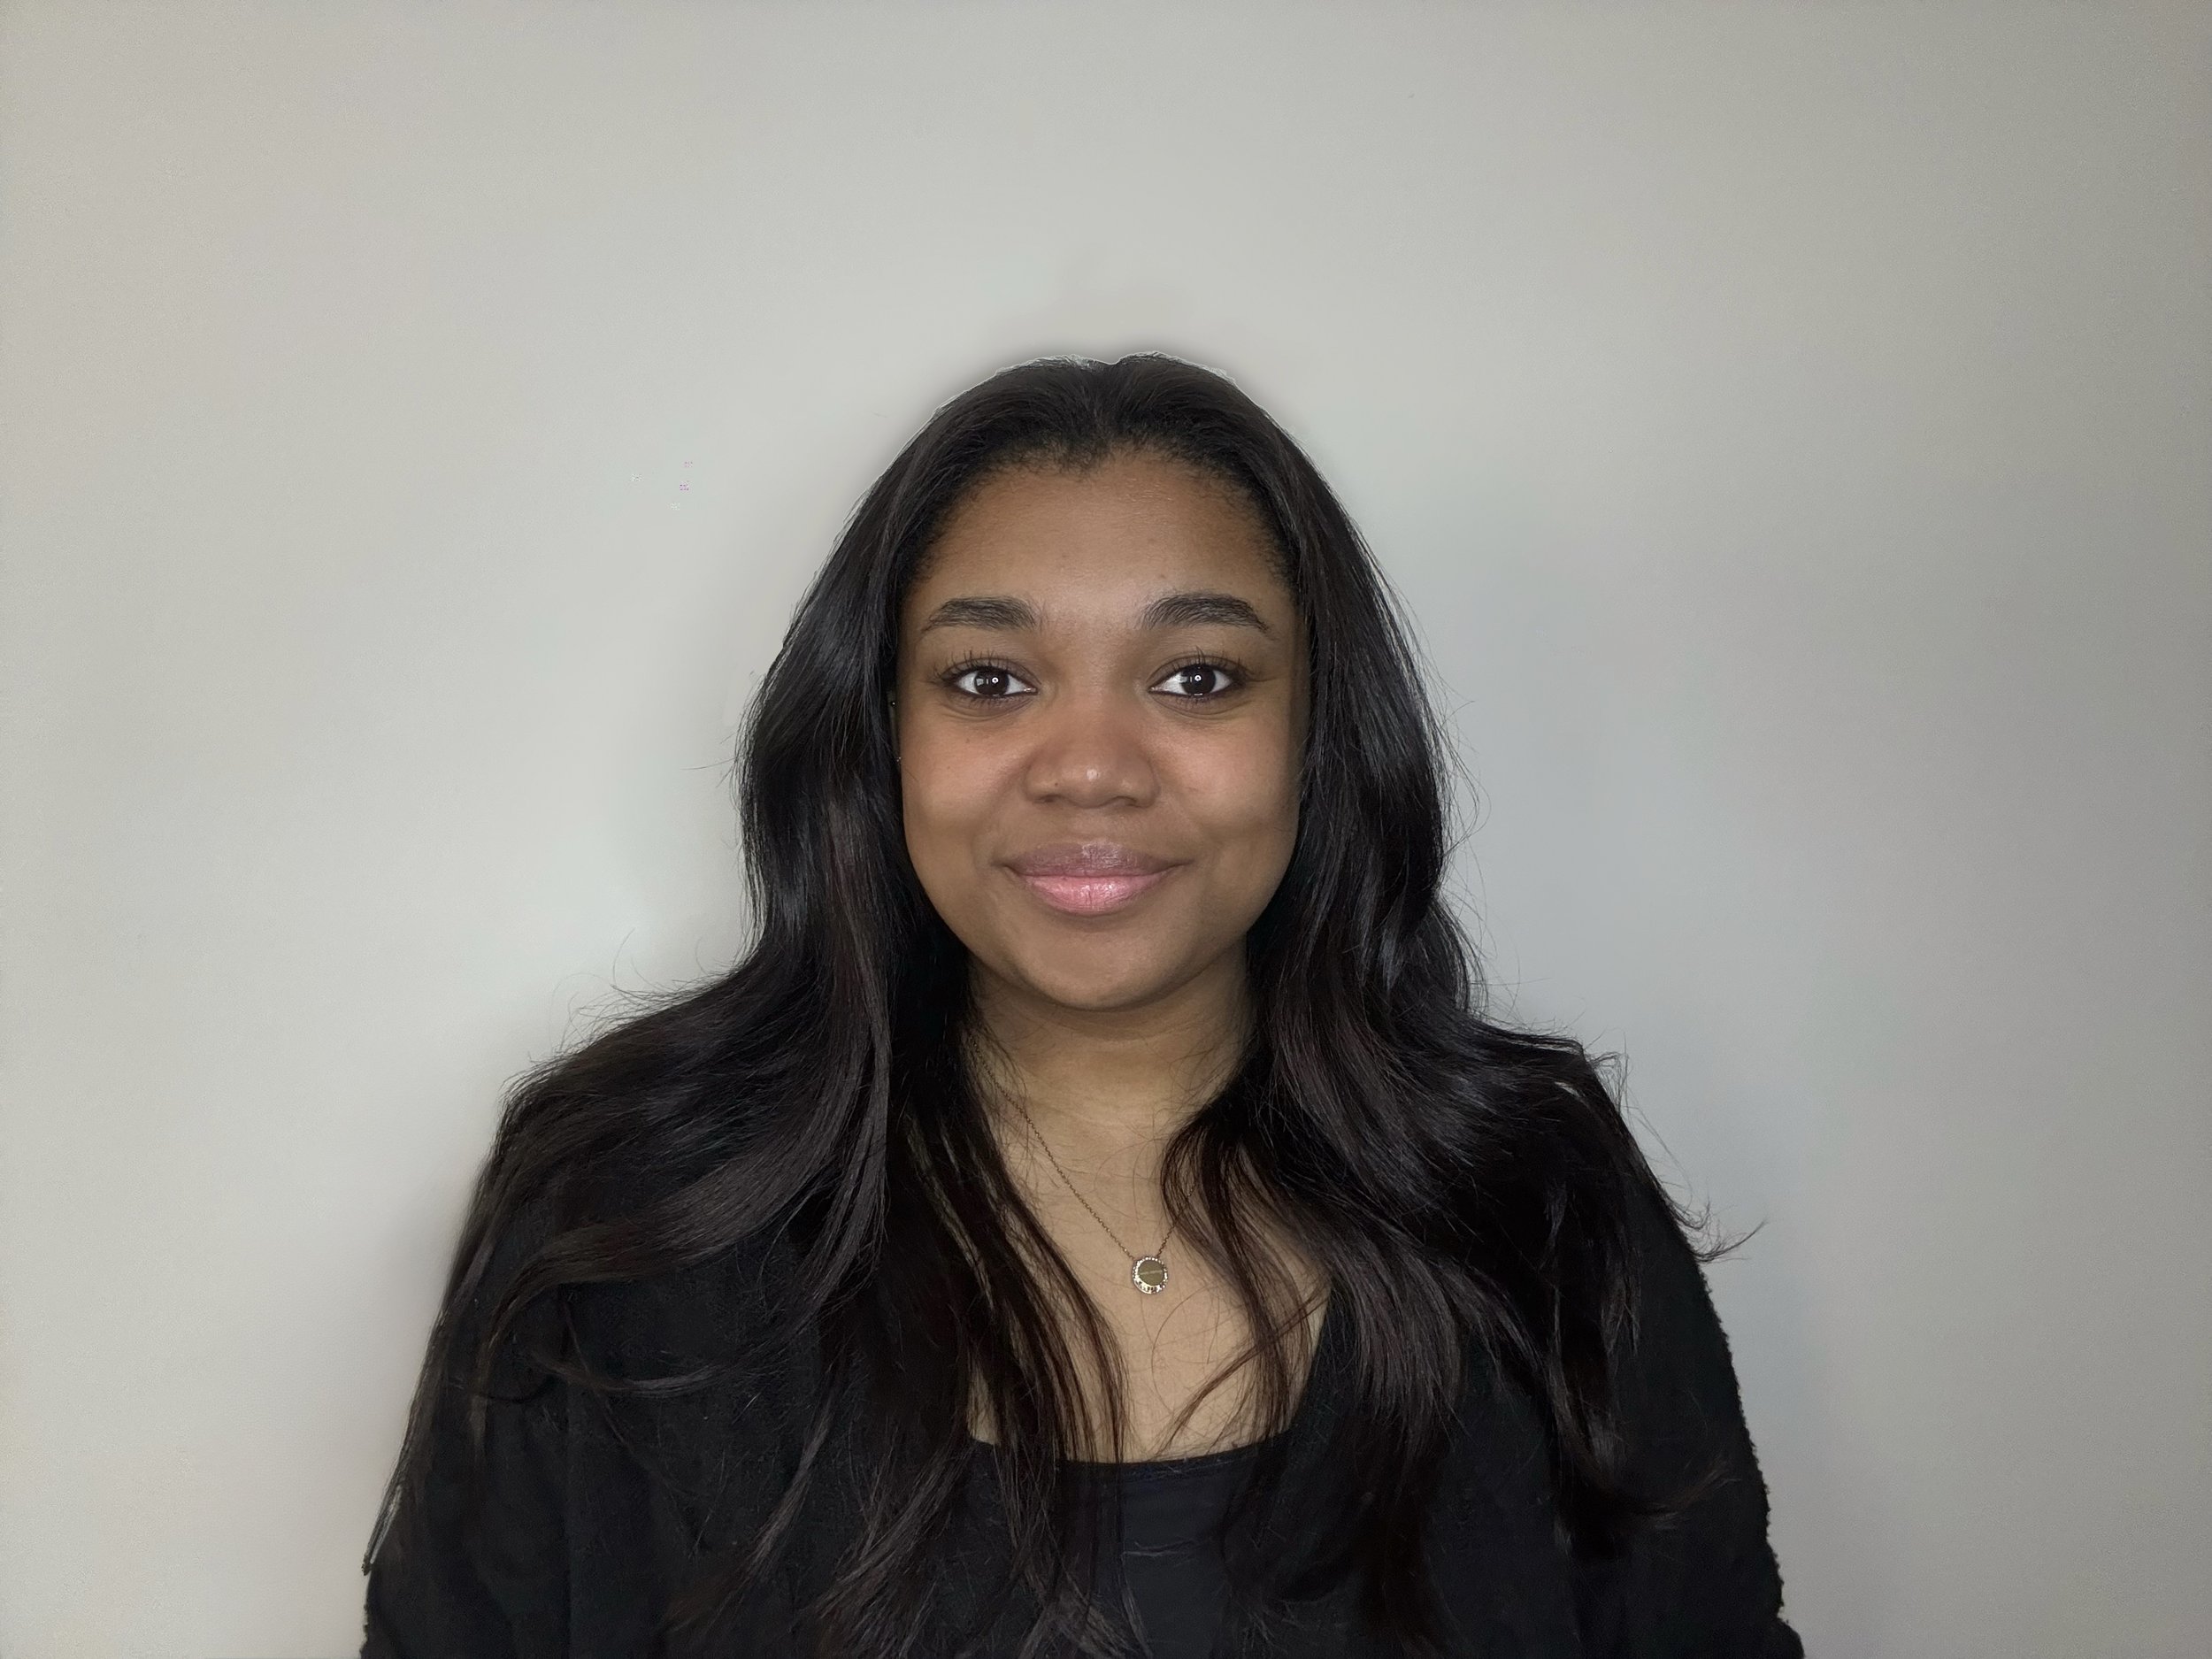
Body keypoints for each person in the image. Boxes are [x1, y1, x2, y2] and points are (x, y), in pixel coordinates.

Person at [359, 353, 1803, 1658]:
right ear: (877, 736)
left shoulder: (1534, 1197)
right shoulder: (624, 1213)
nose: (1091, 766)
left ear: (1317, 735)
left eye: (1197, 676)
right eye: (990, 679)